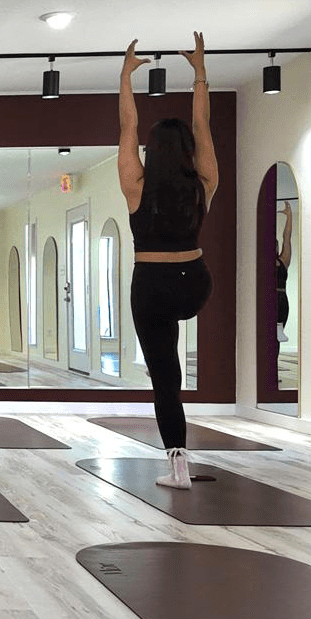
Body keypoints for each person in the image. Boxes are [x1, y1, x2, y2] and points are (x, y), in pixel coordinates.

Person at [118, 33, 218, 488]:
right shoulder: (204, 182)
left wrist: (125, 78)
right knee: (170, 350)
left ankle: (178, 466)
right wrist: (199, 74)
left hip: (153, 284)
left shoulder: (135, 184)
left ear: (151, 151)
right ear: (187, 153)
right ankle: (178, 461)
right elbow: (204, 129)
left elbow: (127, 129)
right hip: (195, 282)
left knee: (165, 378)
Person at [275, 200, 293, 346]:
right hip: (267, 299)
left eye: (275, 245)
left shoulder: (282, 261)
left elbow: (286, 237)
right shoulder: (261, 263)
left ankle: (279, 326)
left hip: (281, 300)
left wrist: (289, 216)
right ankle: (277, 327)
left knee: (276, 341)